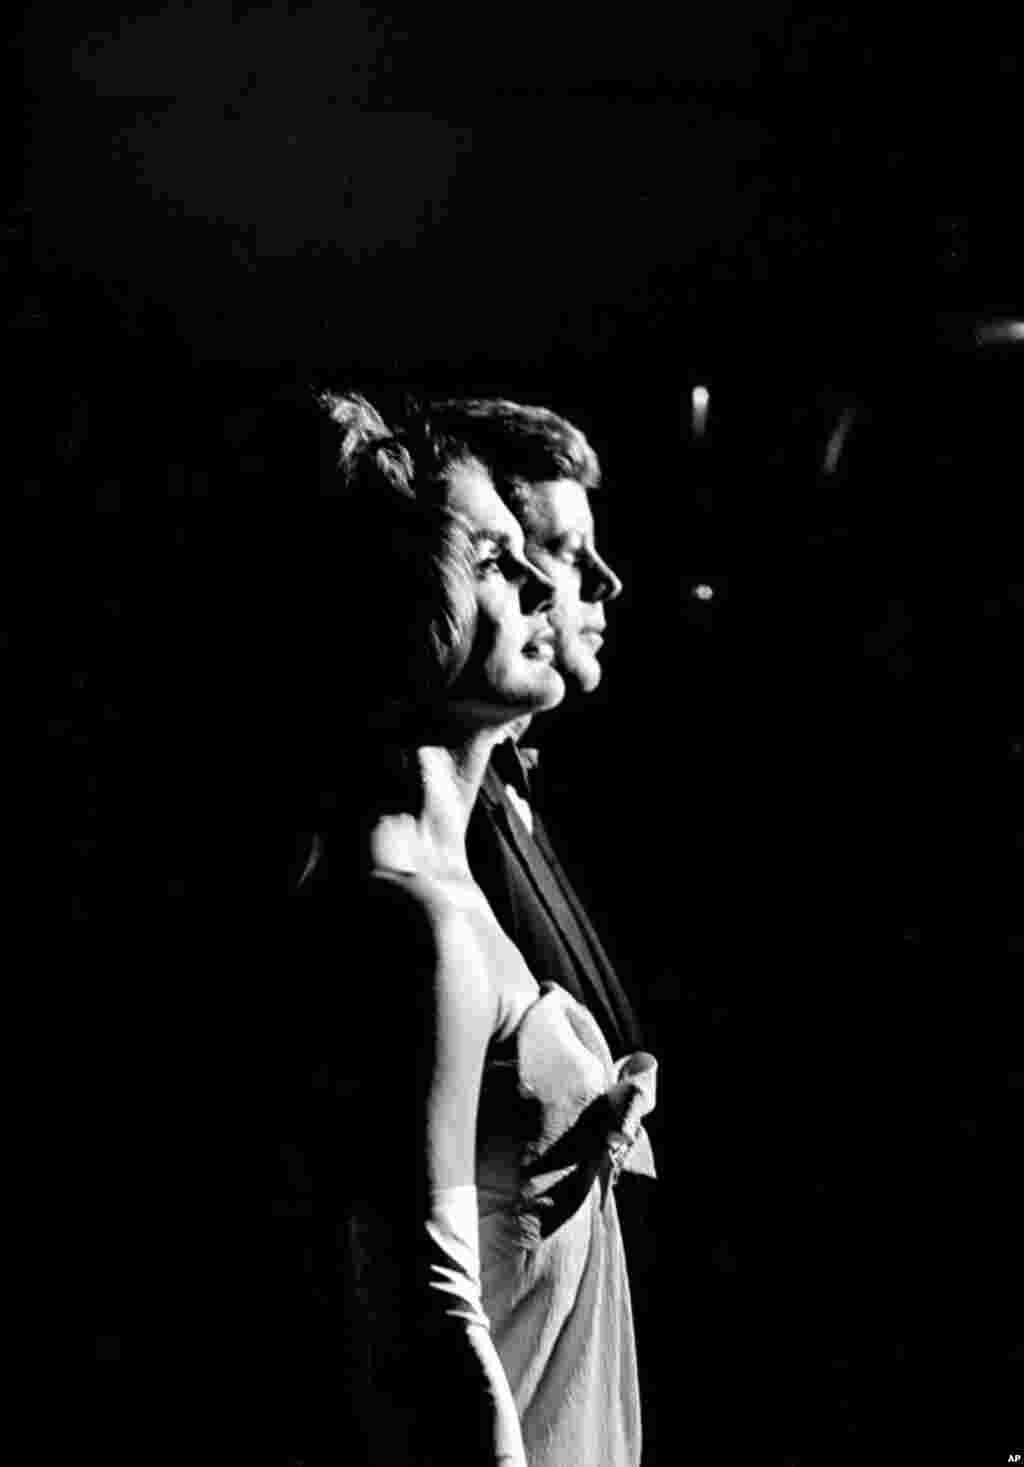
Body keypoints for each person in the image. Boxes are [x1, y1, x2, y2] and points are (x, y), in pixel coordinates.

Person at [276, 392, 658, 1467]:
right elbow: (431, 1317)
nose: (545, 583)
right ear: (411, 609)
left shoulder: (455, 892)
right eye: (498, 559)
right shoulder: (416, 917)